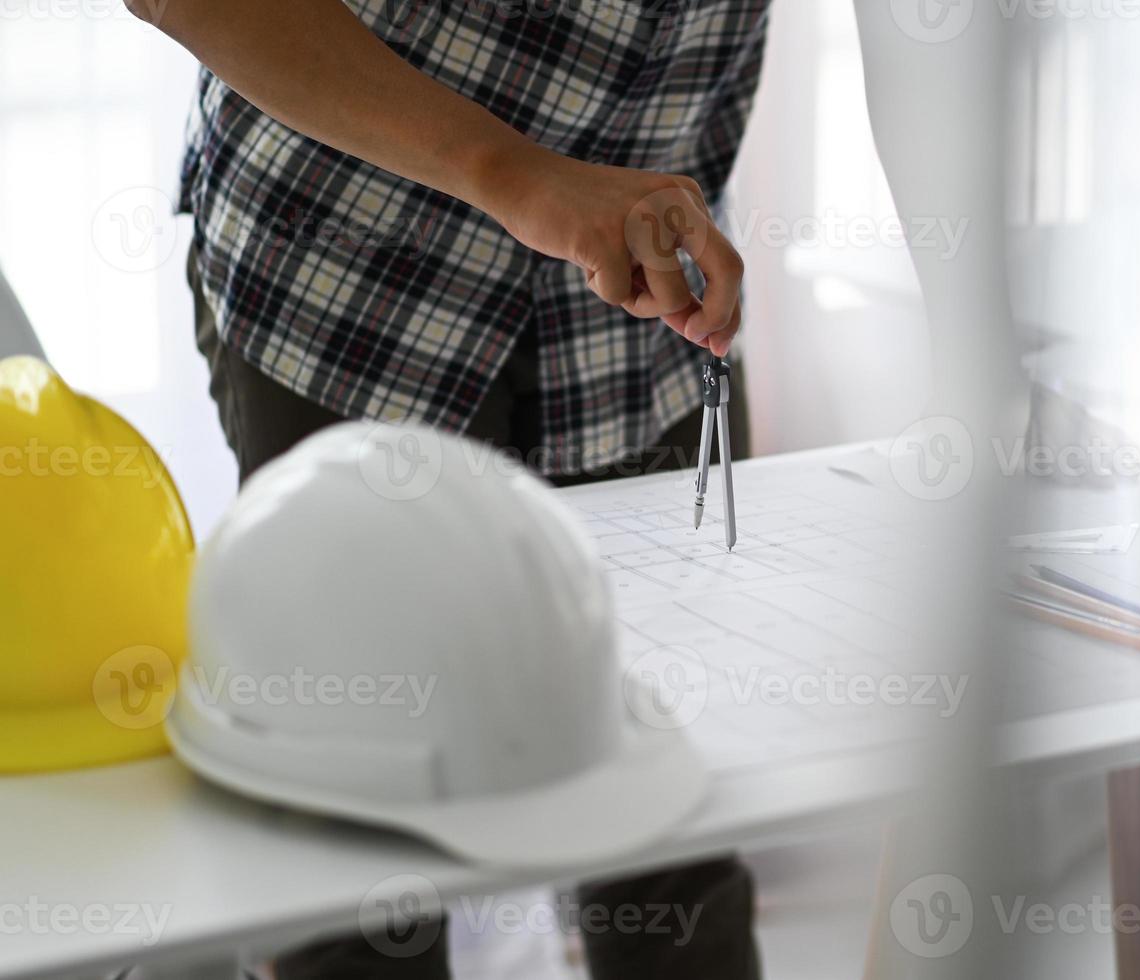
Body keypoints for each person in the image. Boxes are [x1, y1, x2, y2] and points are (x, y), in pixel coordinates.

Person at [135, 1, 768, 977]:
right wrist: (517, 175)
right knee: (366, 868)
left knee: (673, 844)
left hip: (644, 312)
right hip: (351, 280)